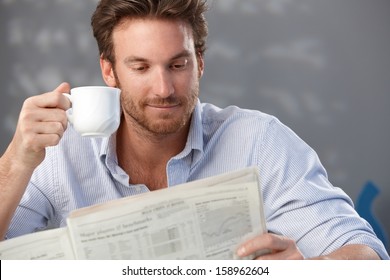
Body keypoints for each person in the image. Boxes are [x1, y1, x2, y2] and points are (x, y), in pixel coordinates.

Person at [0, 0, 388, 260]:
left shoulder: (260, 142)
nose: (164, 89)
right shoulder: (56, 152)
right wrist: (18, 159)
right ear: (109, 71)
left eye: (178, 64)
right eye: (140, 67)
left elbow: (366, 258)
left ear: (199, 62)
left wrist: (309, 271)